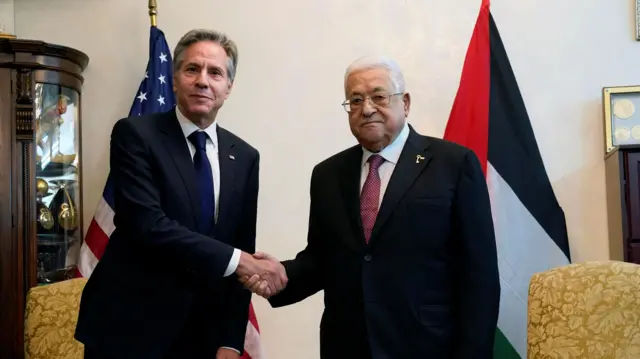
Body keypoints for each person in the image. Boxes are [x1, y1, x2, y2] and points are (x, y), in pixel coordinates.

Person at [241, 56, 500, 359]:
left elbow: (479, 276)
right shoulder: (327, 174)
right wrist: (280, 275)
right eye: (355, 100)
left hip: (428, 346)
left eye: (378, 96)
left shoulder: (453, 164)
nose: (366, 109)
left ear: (405, 103)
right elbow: (323, 260)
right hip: (348, 346)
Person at [74, 29, 287, 359]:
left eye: (215, 72)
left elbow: (240, 242)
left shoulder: (244, 157)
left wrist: (230, 339)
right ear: (174, 80)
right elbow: (148, 224)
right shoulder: (135, 135)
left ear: (228, 87)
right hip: (129, 328)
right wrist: (240, 261)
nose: (203, 81)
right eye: (192, 69)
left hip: (201, 335)